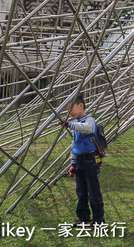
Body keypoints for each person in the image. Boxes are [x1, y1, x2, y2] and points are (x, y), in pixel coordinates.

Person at [60, 95, 104, 225]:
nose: (70, 113)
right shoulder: (77, 124)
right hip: (79, 160)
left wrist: (70, 124)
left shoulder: (89, 120)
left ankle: (98, 219)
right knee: (81, 191)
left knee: (93, 191)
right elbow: (75, 145)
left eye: (70, 109)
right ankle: (83, 218)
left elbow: (88, 128)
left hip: (90, 160)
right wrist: (73, 163)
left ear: (80, 106)